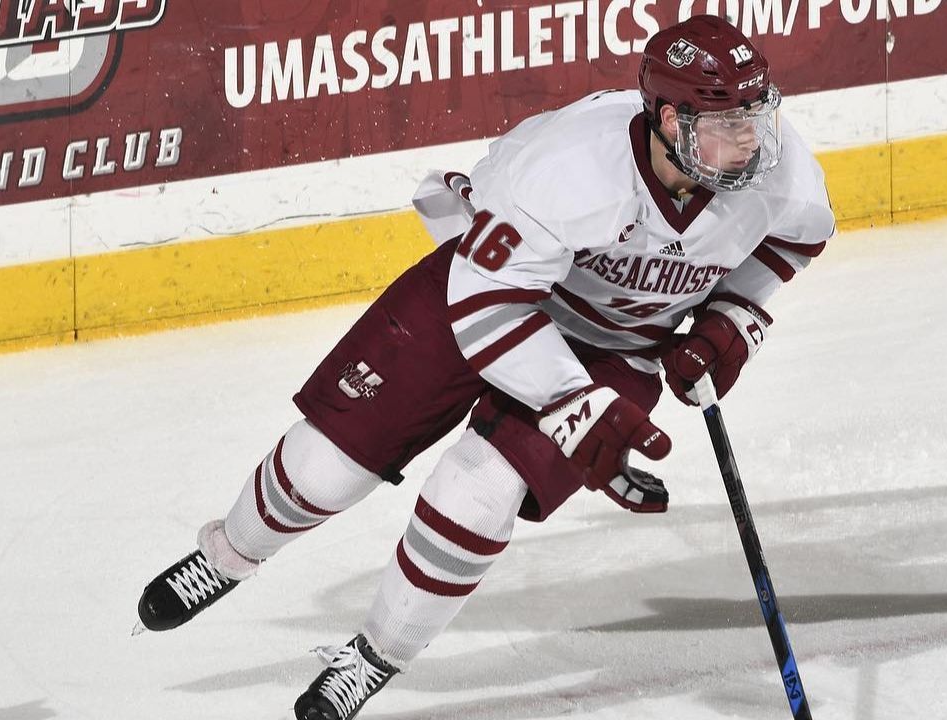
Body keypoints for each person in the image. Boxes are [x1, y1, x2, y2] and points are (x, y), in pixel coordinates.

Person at [136, 14, 835, 720]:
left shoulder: (779, 174)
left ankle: (374, 656)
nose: (750, 139)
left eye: (755, 114)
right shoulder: (570, 167)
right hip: (481, 292)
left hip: (616, 345)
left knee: (474, 499)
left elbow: (797, 242)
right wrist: (570, 409)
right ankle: (225, 556)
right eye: (726, 120)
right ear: (665, 117)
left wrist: (731, 324)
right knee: (326, 466)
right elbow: (488, 309)